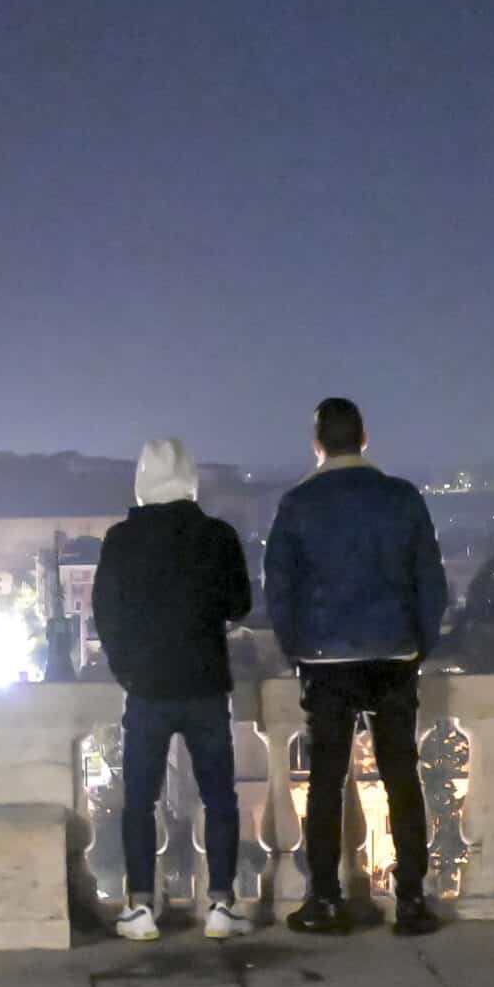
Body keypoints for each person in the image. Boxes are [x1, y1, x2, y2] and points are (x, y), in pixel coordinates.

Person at [263, 396, 450, 936]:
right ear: (364, 438)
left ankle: (325, 898)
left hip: (326, 659)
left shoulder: (298, 504)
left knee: (326, 780)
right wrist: (418, 643)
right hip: (393, 651)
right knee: (400, 775)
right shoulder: (401, 498)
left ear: (318, 443)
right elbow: (429, 581)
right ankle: (411, 898)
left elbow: (280, 590)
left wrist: (297, 646)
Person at [92, 438, 254, 941]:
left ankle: (140, 906)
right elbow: (240, 604)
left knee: (139, 799)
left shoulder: (120, 540)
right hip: (205, 682)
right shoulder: (217, 535)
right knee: (219, 798)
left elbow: (106, 614)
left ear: (142, 482)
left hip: (148, 688)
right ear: (191, 479)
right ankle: (221, 904)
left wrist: (127, 670)